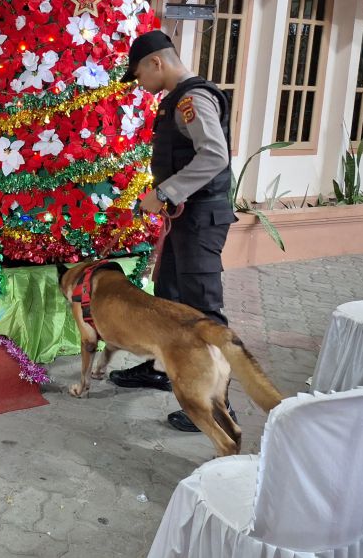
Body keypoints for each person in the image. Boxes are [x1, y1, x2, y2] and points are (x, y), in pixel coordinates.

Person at [109, 30, 238, 433]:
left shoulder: (190, 99)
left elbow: (215, 155)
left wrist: (166, 191)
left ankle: (219, 406)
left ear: (156, 63)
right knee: (168, 301)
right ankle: (163, 369)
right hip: (185, 217)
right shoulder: (178, 100)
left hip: (200, 219)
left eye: (139, 75)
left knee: (202, 310)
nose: (142, 86)